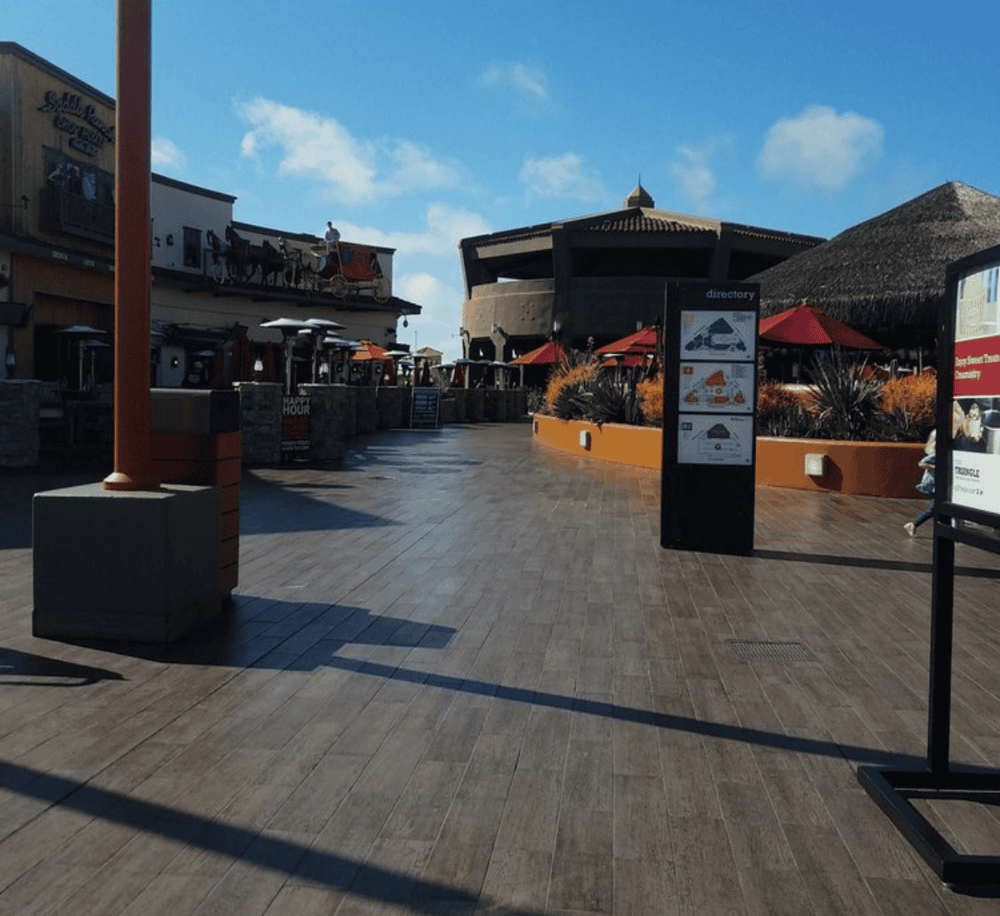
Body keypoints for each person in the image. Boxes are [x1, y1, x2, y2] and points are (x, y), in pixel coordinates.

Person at [904, 429, 936, 537]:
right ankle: (913, 524)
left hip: (937, 484)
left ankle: (913, 525)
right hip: (933, 484)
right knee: (934, 508)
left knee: (936, 508)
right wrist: (935, 467)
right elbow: (921, 463)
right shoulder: (936, 454)